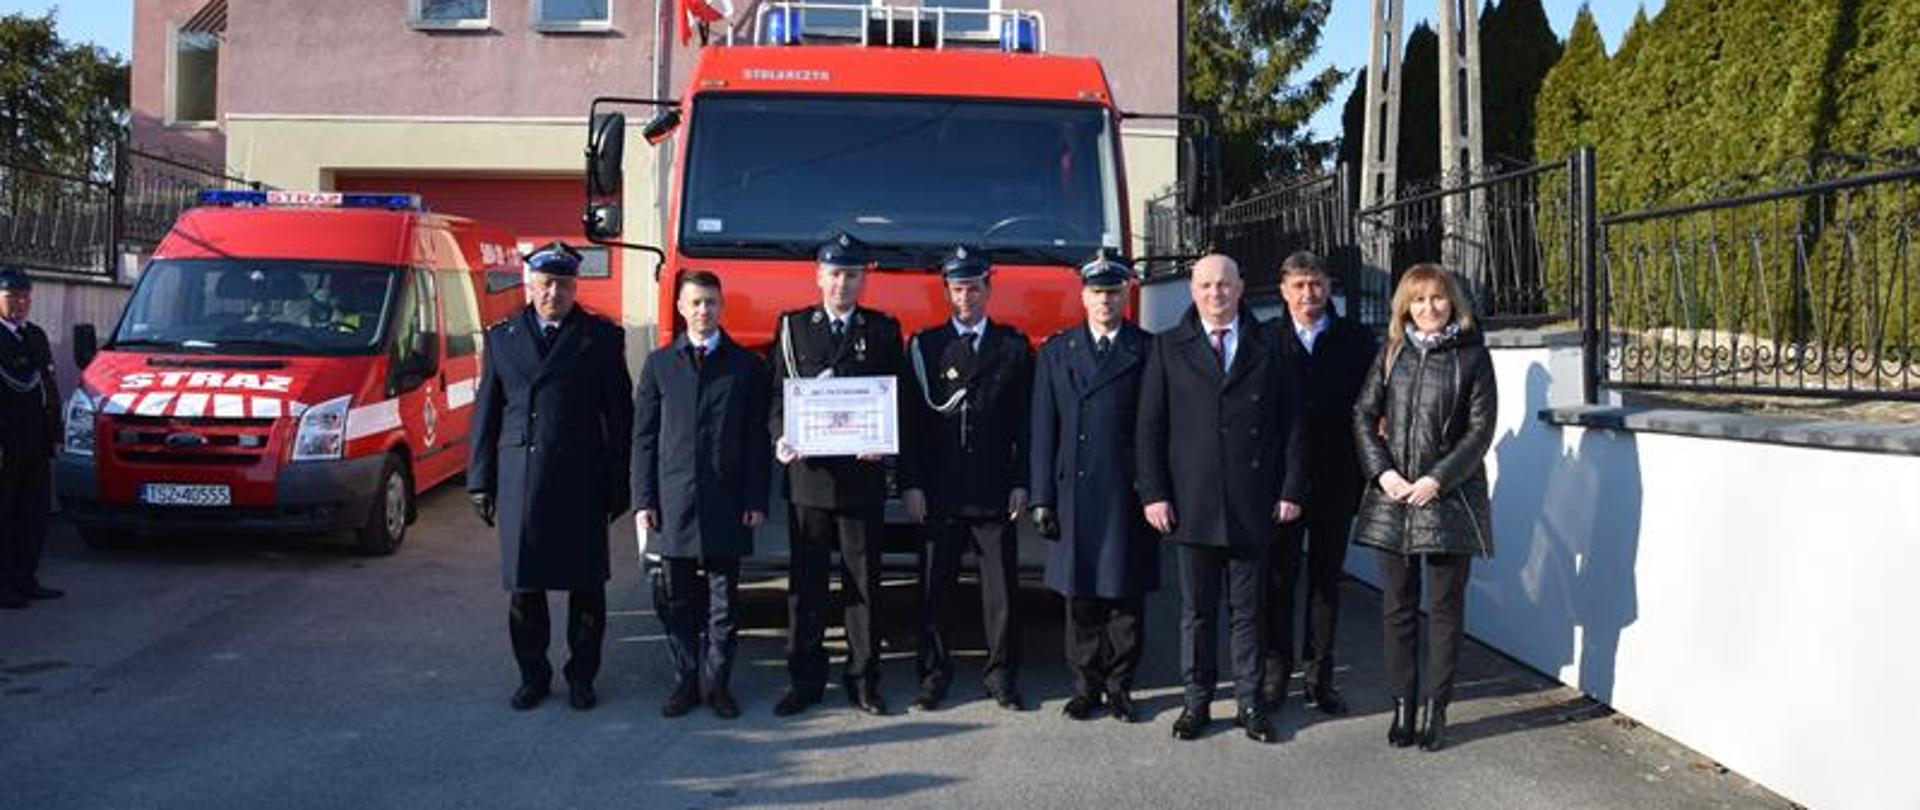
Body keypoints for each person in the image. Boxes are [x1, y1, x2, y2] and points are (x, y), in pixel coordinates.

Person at [1136, 254, 1307, 744]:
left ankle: (1251, 705)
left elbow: (1293, 426)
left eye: (1224, 285)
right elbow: (1149, 429)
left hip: (1253, 501)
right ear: (1193, 290)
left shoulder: (1270, 346)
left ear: (1241, 288)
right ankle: (1196, 703)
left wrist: (1291, 488)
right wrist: (1154, 494)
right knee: (1196, 612)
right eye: (1206, 285)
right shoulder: (1168, 348)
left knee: (1249, 612)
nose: (1216, 293)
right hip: (1190, 503)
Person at [467, 242, 634, 712]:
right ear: (529, 284)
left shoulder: (600, 338)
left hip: (580, 477)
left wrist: (619, 482)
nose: (552, 293)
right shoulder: (502, 337)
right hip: (521, 476)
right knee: (526, 587)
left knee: (586, 588)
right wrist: (480, 480)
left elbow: (620, 416)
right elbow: (487, 414)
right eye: (544, 284)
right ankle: (533, 676)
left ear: (574, 286)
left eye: (562, 284)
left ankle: (582, 676)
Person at [1351, 263, 1498, 752]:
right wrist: (1385, 473)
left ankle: (1437, 708)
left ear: (1452, 301)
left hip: (1449, 498)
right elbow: (1363, 413)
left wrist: (1437, 478)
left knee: (1444, 609)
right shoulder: (1391, 353)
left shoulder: (1474, 356)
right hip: (1393, 497)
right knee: (1396, 607)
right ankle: (1402, 705)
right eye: (1417, 300)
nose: (1428, 308)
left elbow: (1480, 431)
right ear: (1404, 307)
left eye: (1436, 298)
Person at [768, 232, 906, 717]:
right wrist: (781, 435)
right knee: (806, 586)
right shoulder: (792, 328)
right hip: (807, 479)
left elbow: (897, 400)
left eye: (851, 274)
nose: (842, 283)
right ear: (818, 275)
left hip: (861, 481)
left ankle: (863, 680)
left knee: (863, 584)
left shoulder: (884, 329)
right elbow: (776, 399)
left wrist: (883, 442)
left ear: (862, 278)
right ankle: (804, 681)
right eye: (834, 273)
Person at [632, 270, 771, 720]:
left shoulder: (746, 366)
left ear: (721, 306)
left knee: (724, 603)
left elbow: (756, 441)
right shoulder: (659, 365)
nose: (703, 311)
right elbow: (644, 439)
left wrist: (755, 499)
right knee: (678, 601)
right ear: (680, 308)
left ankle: (718, 685)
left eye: (711, 302)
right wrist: (644, 500)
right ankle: (686, 682)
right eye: (695, 303)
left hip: (727, 502)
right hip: (674, 501)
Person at [899, 246, 1033, 712]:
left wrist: (1022, 481)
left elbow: (1025, 423)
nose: (966, 297)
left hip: (995, 488)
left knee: (1001, 594)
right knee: (935, 589)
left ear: (988, 290)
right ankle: (933, 676)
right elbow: (911, 423)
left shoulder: (1012, 347)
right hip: (939, 489)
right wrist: (911, 484)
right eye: (957, 289)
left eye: (974, 288)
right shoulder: (926, 346)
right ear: (946, 292)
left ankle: (1001, 677)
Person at [1028, 252, 1158, 723]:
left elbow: (1157, 426)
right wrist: (1041, 496)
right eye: (1097, 292)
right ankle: (1085, 687)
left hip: (1127, 491)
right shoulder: (1056, 352)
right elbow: (1043, 430)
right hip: (1074, 492)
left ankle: (1121, 686)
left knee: (1125, 597)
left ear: (1126, 295)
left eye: (1113, 291)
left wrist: (1156, 492)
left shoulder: (1147, 350)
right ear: (1083, 296)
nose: (1105, 299)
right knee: (1080, 598)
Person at [1263, 251, 1379, 716]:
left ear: (1329, 287)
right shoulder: (1265, 341)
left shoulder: (1355, 340)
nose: (1308, 294)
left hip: (1336, 480)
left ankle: (1319, 679)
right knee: (1278, 581)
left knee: (1325, 585)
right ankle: (1275, 676)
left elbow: (1371, 409)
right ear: (1283, 290)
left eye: (1316, 285)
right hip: (1280, 486)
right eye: (1299, 286)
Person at [0, 267, 63, 609]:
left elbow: (47, 388)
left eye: (25, 297)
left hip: (35, 440)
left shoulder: (34, 336)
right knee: (5, 513)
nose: (20, 304)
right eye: (12, 297)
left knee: (33, 512)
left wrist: (54, 435)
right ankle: (3, 583)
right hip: (5, 442)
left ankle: (26, 577)